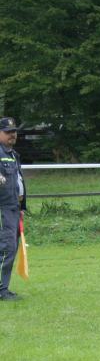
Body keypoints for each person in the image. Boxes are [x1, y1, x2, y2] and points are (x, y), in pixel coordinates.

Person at [0, 118, 26, 301]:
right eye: (8, 132)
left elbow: (18, 182)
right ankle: (1, 290)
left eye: (14, 131)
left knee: (11, 247)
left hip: (14, 208)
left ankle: (4, 288)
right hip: (3, 209)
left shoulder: (13, 154)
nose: (12, 135)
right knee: (6, 248)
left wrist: (21, 207)